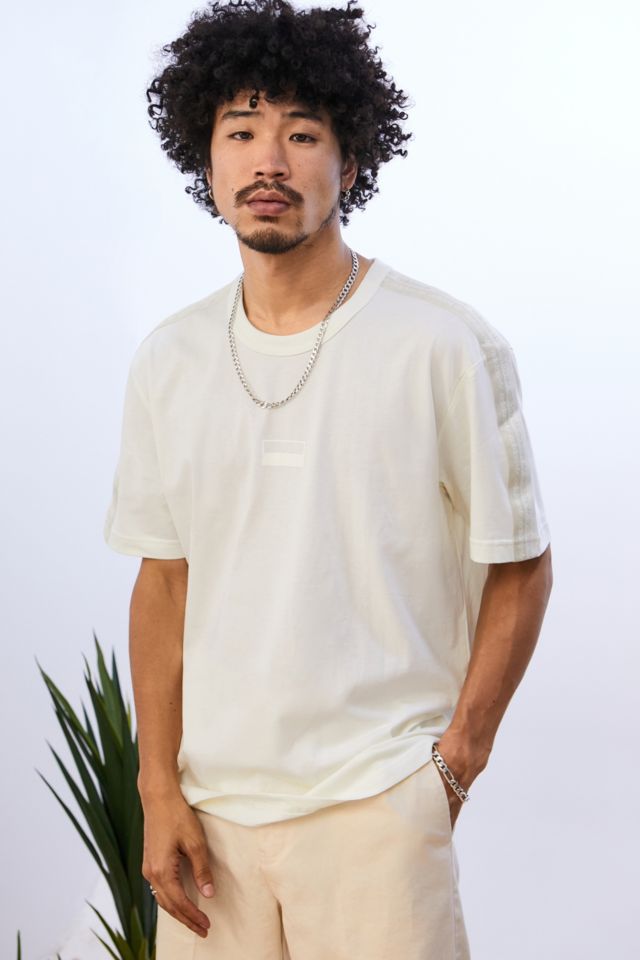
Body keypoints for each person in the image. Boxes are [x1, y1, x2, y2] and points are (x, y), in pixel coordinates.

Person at [103, 1, 553, 957]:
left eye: (302, 134)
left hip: (375, 809)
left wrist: (454, 766)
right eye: (241, 132)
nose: (268, 161)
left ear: (350, 164)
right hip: (211, 822)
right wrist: (157, 788)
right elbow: (165, 582)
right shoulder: (170, 359)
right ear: (206, 161)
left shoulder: (443, 345)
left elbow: (519, 565)